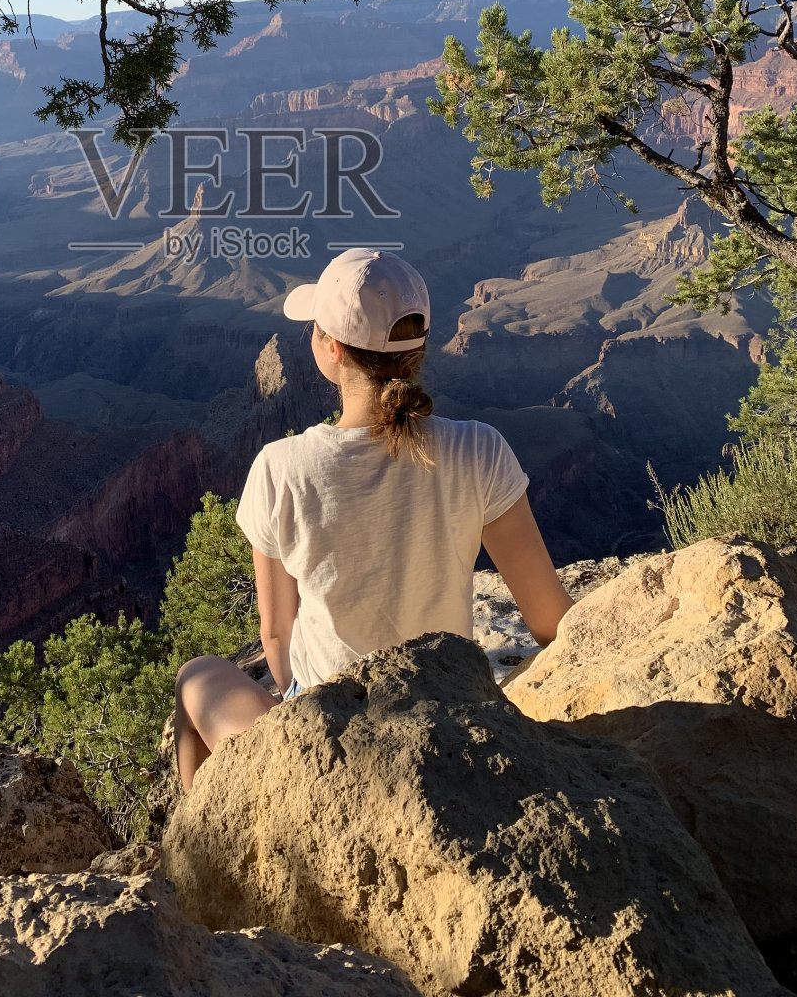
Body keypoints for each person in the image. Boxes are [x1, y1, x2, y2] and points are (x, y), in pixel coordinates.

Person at [175, 247, 573, 791]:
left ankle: (209, 839)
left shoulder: (280, 468)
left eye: (315, 328)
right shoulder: (481, 449)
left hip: (332, 750)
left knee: (196, 675)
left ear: (331, 348)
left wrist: (299, 700)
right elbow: (551, 618)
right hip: (448, 730)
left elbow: (275, 634)